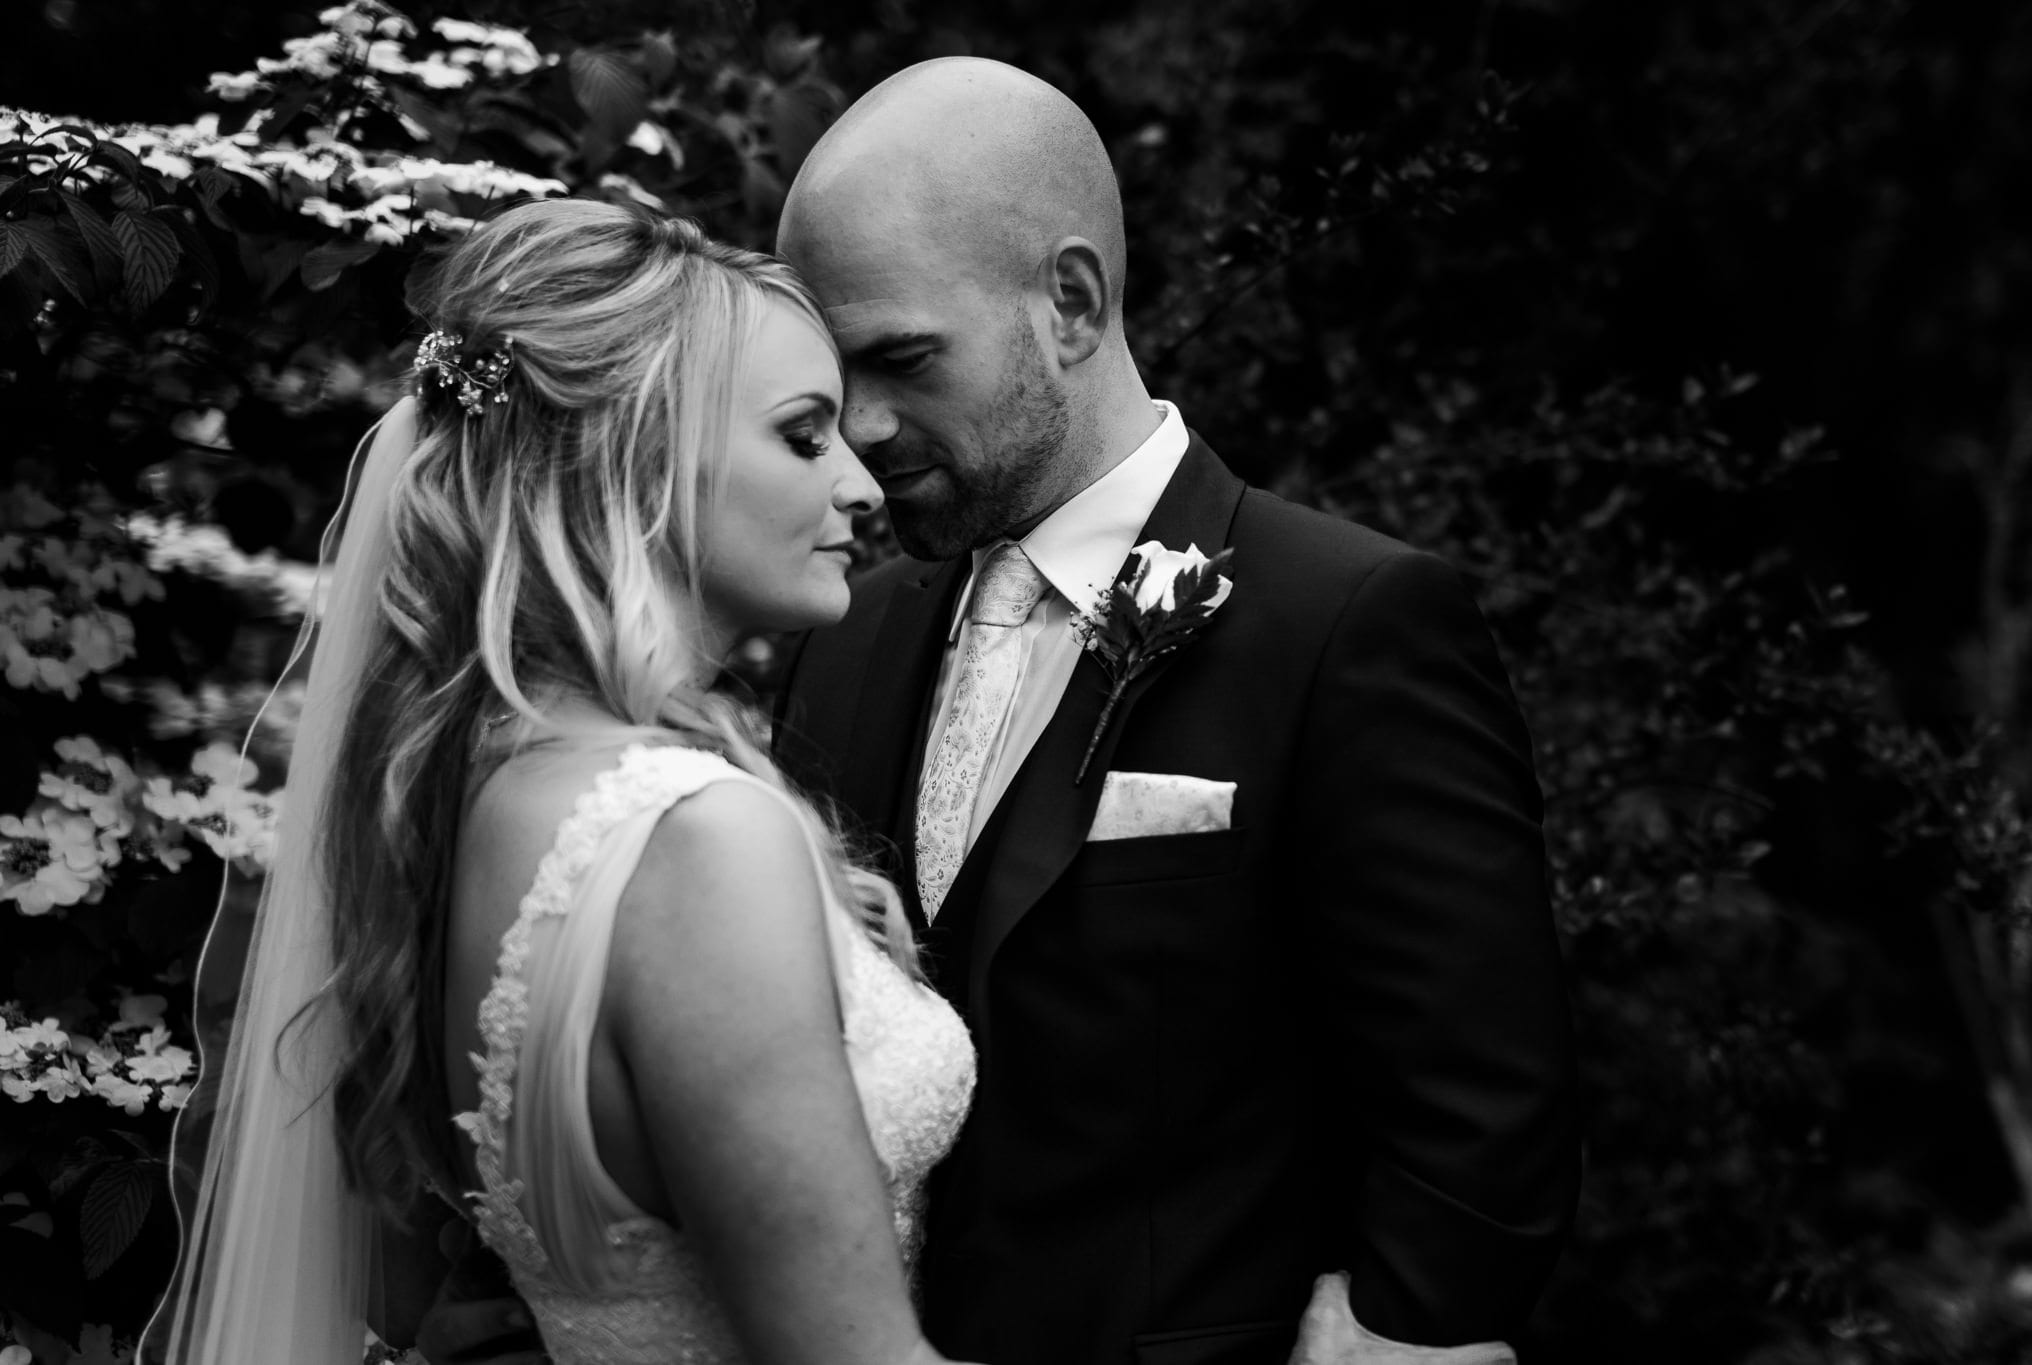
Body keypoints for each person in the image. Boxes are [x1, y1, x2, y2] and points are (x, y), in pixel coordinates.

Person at [418, 57, 1581, 1365]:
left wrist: (1399, 1333)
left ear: (1070, 303)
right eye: (828, 383)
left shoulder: (1344, 621)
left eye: (903, 358)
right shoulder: (842, 637)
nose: (862, 426)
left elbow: (1482, 1103)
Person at [156, 198, 979, 1365]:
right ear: (631, 453)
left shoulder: (474, 796)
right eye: (802, 435)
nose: (859, 485)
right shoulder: (696, 840)